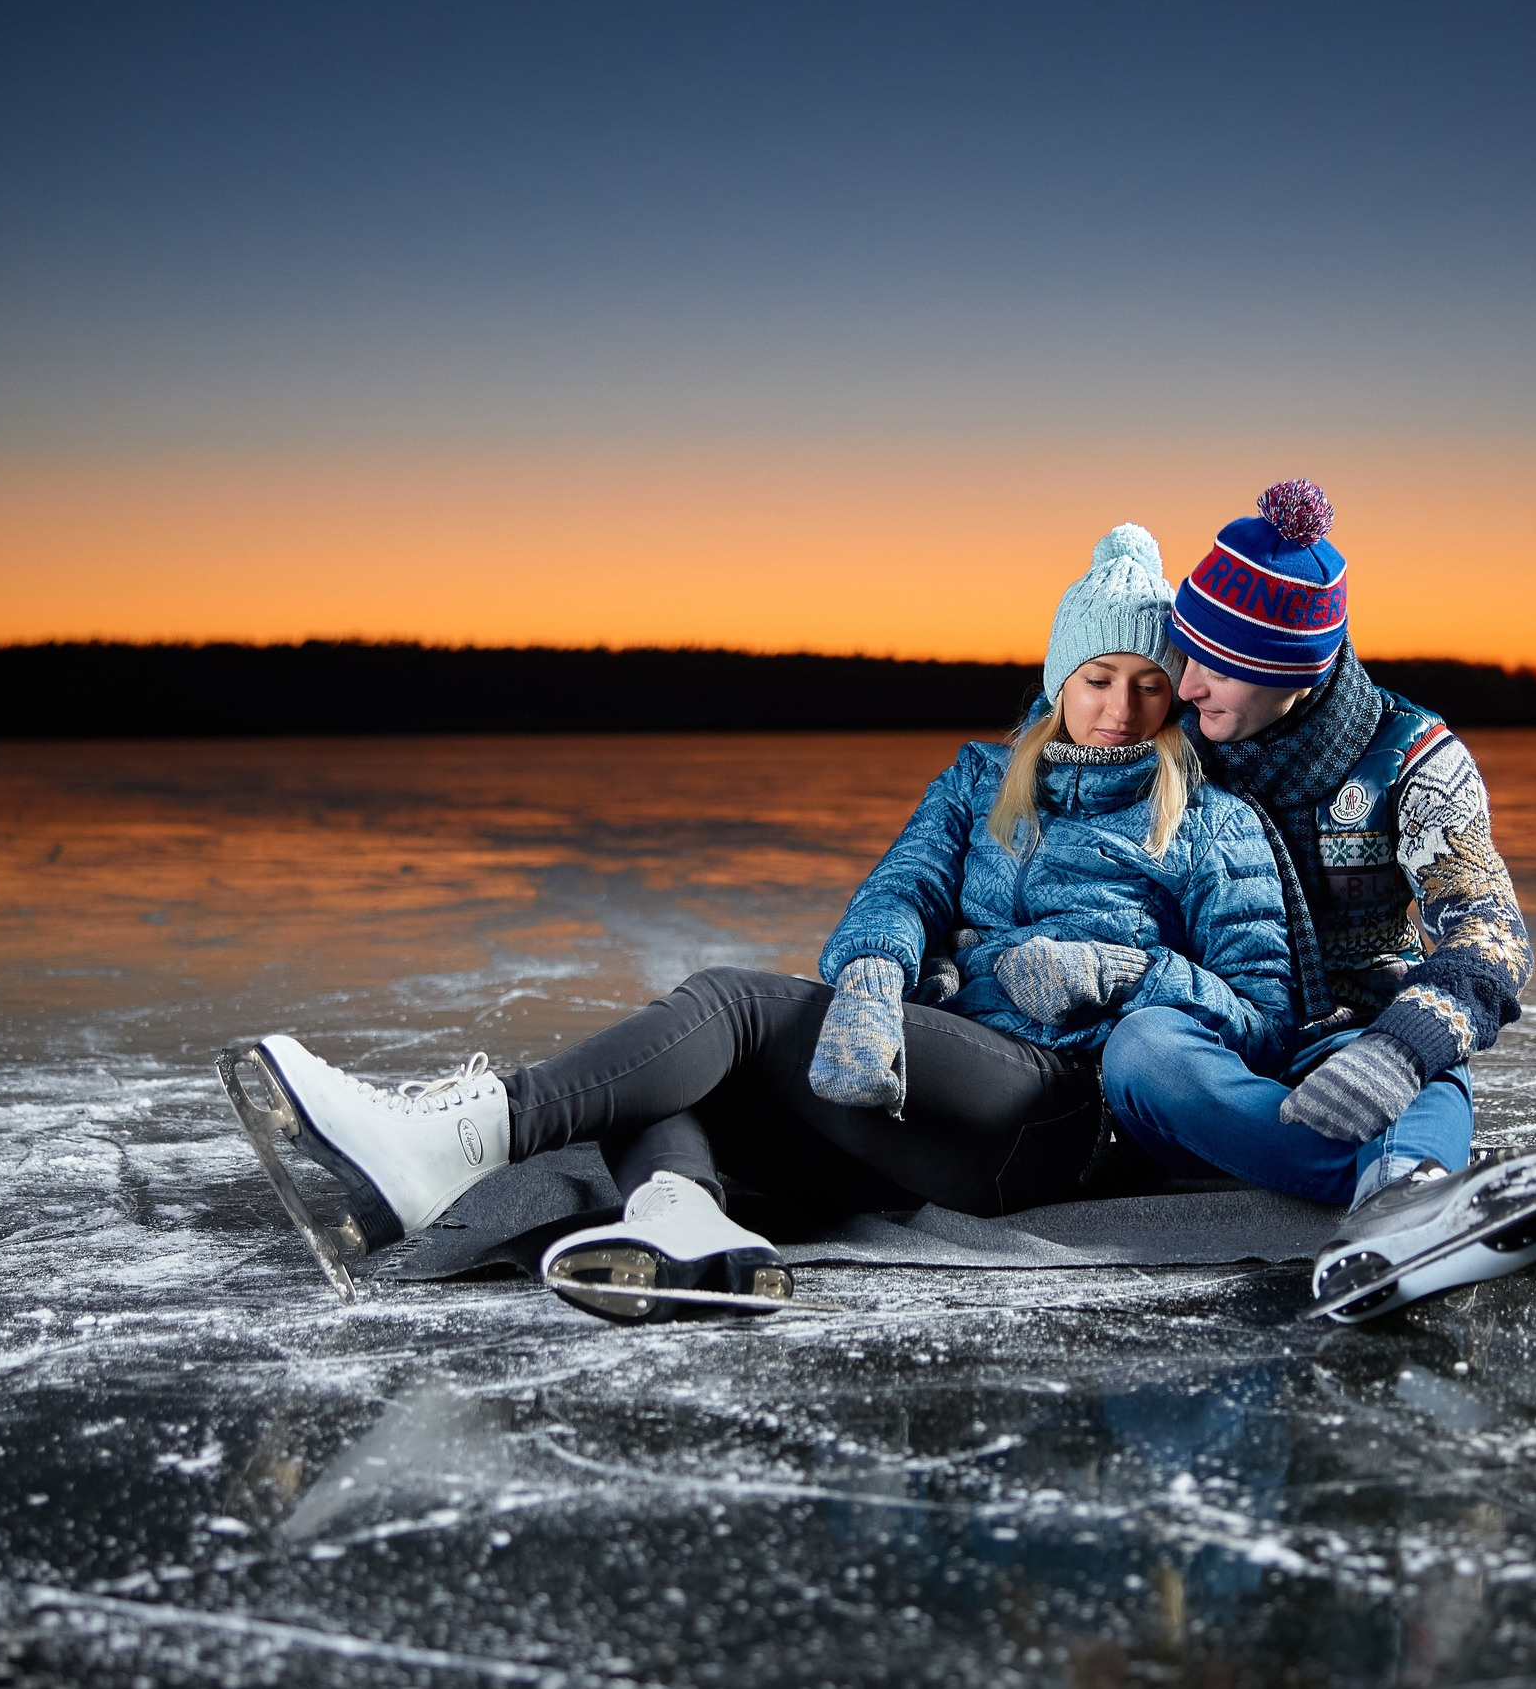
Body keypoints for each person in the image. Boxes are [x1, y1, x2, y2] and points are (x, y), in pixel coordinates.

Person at [223, 524, 1290, 1321]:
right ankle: (681, 1221)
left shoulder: (1214, 821)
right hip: (926, 1078)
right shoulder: (978, 781)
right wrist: (872, 977)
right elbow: (900, 890)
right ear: (1062, 678)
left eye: (1150, 686)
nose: (1119, 707)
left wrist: (1122, 970)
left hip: (1054, 1109)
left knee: (729, 1005)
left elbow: (1264, 1015)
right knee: (680, 1066)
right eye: (1098, 678)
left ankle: (453, 1140)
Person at [1095, 479, 1536, 1321]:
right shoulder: (1167, 747)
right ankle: (1412, 1188)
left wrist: (1399, 1050)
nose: (1185, 686)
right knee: (1140, 1051)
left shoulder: (1412, 757)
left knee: (1431, 1066)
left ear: (1289, 667)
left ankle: (1404, 1188)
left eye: (1218, 664)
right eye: (1187, 654)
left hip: (1357, 1034)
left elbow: (1493, 931)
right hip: (1217, 1036)